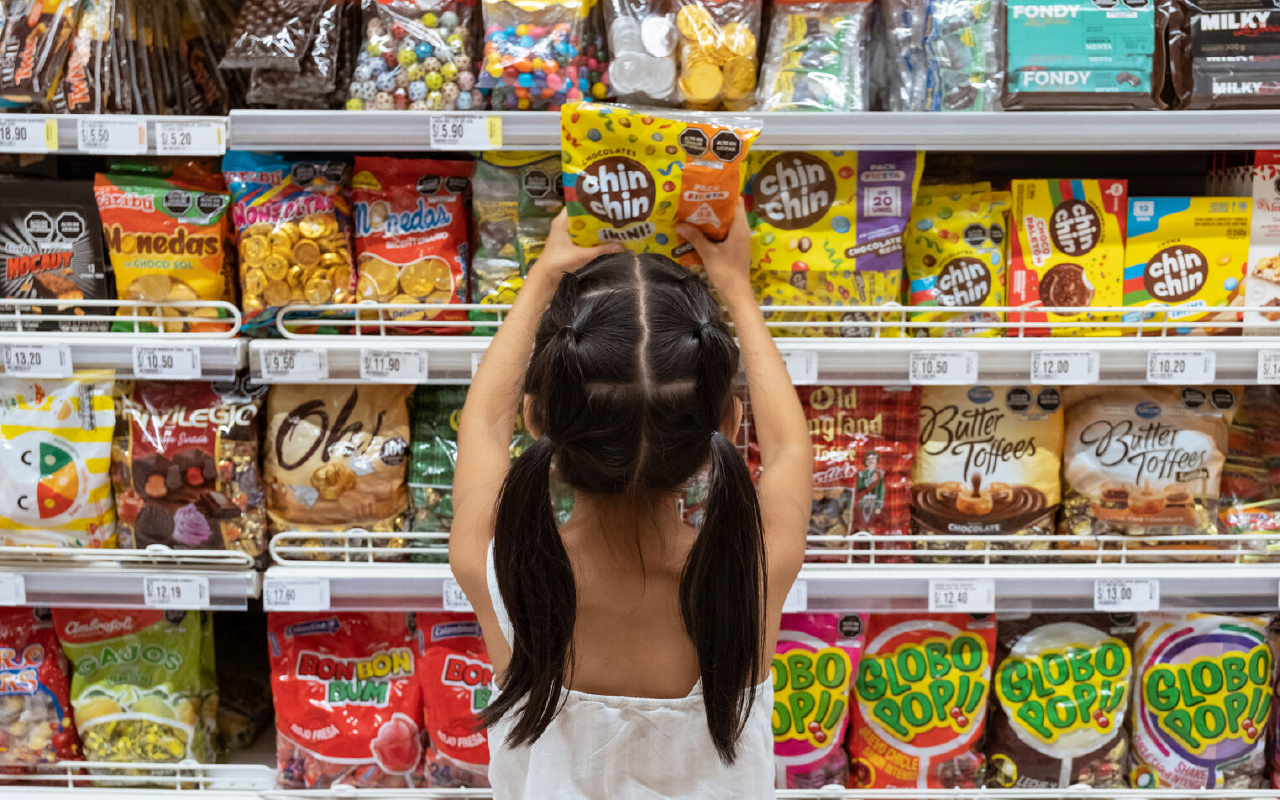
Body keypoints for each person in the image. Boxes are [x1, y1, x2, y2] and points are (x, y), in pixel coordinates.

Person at [451, 201, 811, 799]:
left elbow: (484, 427)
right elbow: (791, 451)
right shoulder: (755, 573)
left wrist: (542, 277)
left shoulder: (494, 567)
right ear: (725, 423)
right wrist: (736, 289)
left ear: (537, 420)